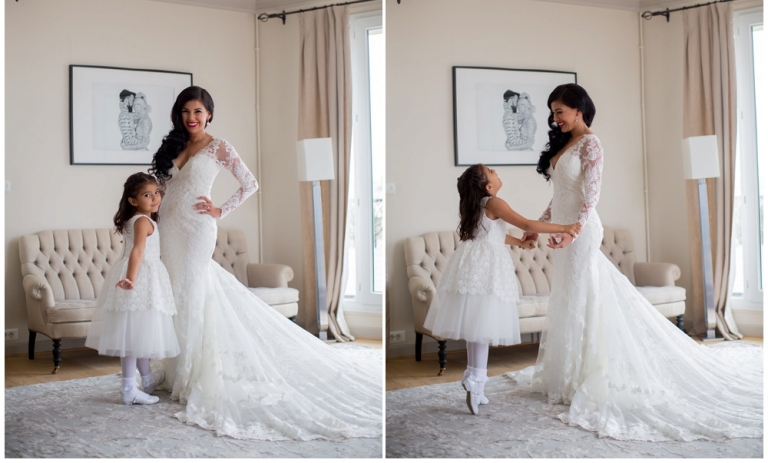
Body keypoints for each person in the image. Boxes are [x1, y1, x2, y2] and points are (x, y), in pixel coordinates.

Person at [508, 83, 763, 441]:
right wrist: (538, 227)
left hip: (580, 232)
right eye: (552, 112)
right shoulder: (564, 144)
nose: (555, 118)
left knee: (584, 297)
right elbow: (561, 195)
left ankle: (591, 374)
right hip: (563, 231)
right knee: (567, 298)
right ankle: (567, 374)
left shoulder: (592, 144)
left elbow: (590, 196)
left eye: (560, 111)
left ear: (579, 110)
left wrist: (572, 232)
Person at [149, 86, 381, 441]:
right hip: (169, 230)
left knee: (193, 292)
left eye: (197, 111)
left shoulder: (219, 146)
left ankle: (197, 374)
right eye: (185, 112)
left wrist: (219, 209)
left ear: (209, 114)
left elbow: (250, 183)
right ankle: (175, 368)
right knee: (174, 294)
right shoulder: (174, 145)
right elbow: (164, 189)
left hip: (197, 230)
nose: (191, 118)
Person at [423, 163, 581, 415]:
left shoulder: (478, 204)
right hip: (485, 268)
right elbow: (525, 222)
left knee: (477, 329)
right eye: (492, 171)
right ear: (488, 185)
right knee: (481, 328)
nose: (497, 173)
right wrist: (565, 227)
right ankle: (475, 382)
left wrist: (519, 242)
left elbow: (491, 234)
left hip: (473, 264)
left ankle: (477, 382)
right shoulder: (494, 202)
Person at [85, 172, 179, 405]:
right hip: (140, 277)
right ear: (133, 200)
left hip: (140, 276)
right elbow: (138, 251)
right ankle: (129, 387)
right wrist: (131, 278)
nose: (155, 198)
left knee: (140, 332)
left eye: (157, 192)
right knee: (133, 336)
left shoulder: (140, 218)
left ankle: (146, 378)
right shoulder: (142, 221)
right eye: (147, 195)